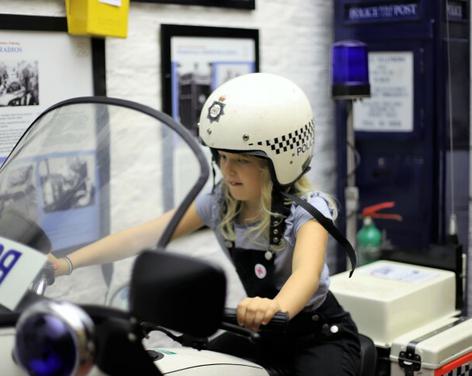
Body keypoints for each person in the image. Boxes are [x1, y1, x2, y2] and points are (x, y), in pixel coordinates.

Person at [50, 73, 361, 375]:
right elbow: (142, 235)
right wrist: (66, 263)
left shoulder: (309, 210)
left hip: (319, 337)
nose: (228, 170)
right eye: (221, 157)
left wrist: (273, 308)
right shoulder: (219, 205)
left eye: (242, 160)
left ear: (279, 162)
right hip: (262, 333)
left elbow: (306, 275)